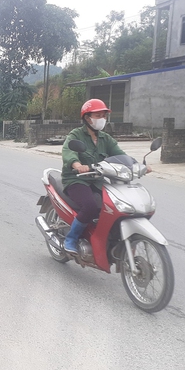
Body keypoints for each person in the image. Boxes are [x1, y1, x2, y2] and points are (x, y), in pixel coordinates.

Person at [60, 98, 149, 254]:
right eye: (98, 115)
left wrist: (137, 166)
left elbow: (120, 155)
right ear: (87, 118)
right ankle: (71, 238)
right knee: (90, 206)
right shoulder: (76, 135)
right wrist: (77, 165)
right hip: (76, 180)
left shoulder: (105, 138)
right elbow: (69, 152)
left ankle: (106, 238)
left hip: (97, 180)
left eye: (104, 116)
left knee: (113, 205)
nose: (102, 119)